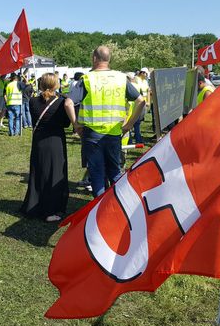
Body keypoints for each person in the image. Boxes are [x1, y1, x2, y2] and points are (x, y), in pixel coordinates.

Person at [70, 45, 145, 196]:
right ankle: (120, 205)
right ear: (109, 59)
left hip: (92, 134)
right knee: (115, 171)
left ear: (94, 58)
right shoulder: (120, 78)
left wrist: (75, 124)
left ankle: (100, 210)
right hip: (114, 133)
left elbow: (68, 103)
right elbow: (141, 101)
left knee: (97, 173)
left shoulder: (87, 79)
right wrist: (129, 124)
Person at [21, 73, 78, 222]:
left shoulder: (32, 101)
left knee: (38, 173)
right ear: (56, 85)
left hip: (39, 140)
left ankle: (34, 205)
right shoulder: (61, 102)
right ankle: (51, 209)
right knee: (55, 174)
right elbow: (66, 123)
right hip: (55, 141)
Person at [131, 68, 150, 144]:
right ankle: (138, 138)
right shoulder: (136, 79)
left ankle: (137, 136)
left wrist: (148, 101)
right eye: (146, 74)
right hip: (137, 103)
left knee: (139, 121)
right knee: (136, 121)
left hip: (143, 103)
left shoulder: (145, 81)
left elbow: (148, 91)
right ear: (142, 73)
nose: (146, 76)